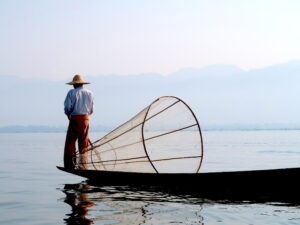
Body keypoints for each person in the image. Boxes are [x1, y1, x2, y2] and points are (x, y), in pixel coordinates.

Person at [64, 74, 94, 170]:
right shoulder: (89, 93)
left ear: (74, 84)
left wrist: (68, 114)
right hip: (86, 119)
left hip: (75, 119)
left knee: (70, 142)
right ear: (82, 84)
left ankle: (70, 165)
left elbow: (67, 107)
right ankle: (83, 165)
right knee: (83, 142)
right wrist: (85, 116)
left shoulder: (71, 93)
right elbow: (91, 110)